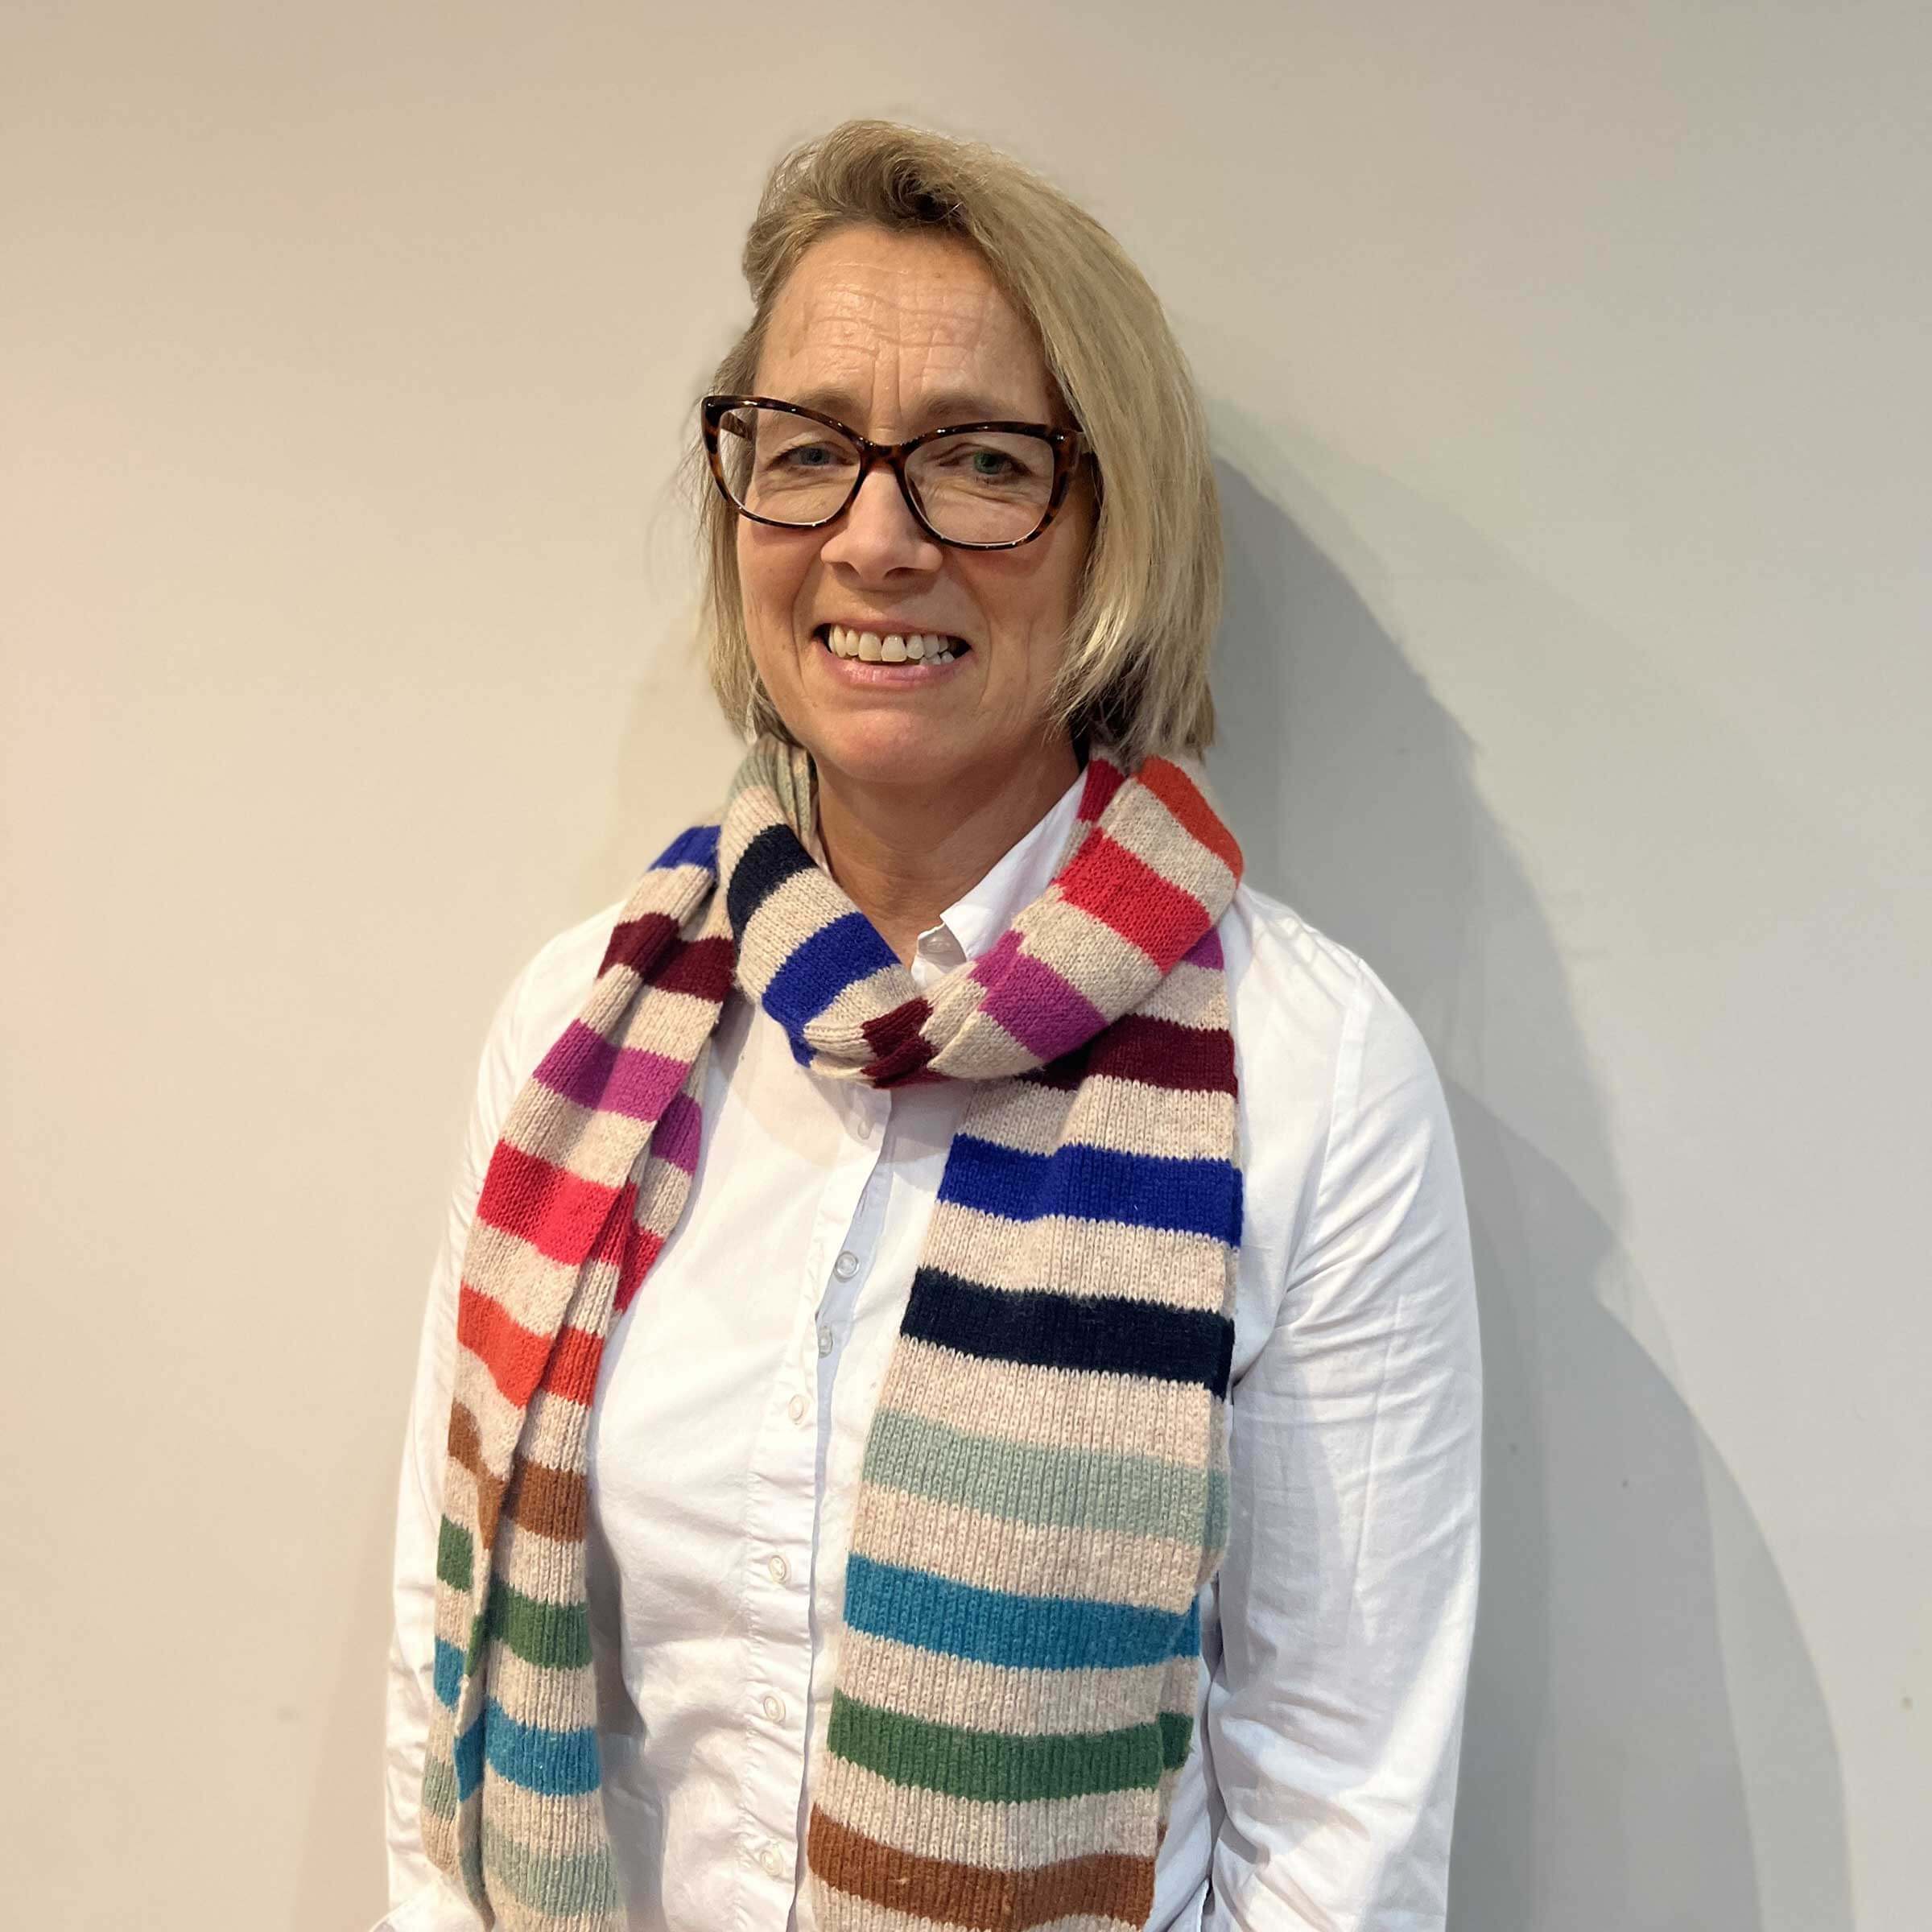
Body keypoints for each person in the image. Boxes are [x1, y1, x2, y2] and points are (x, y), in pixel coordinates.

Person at [380, 118, 1482, 1932]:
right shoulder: (579, 1031)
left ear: (1108, 520)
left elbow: (1342, 1828)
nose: (874, 540)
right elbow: (450, 1711)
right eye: (806, 453)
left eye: (976, 463)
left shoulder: (1307, 1075)